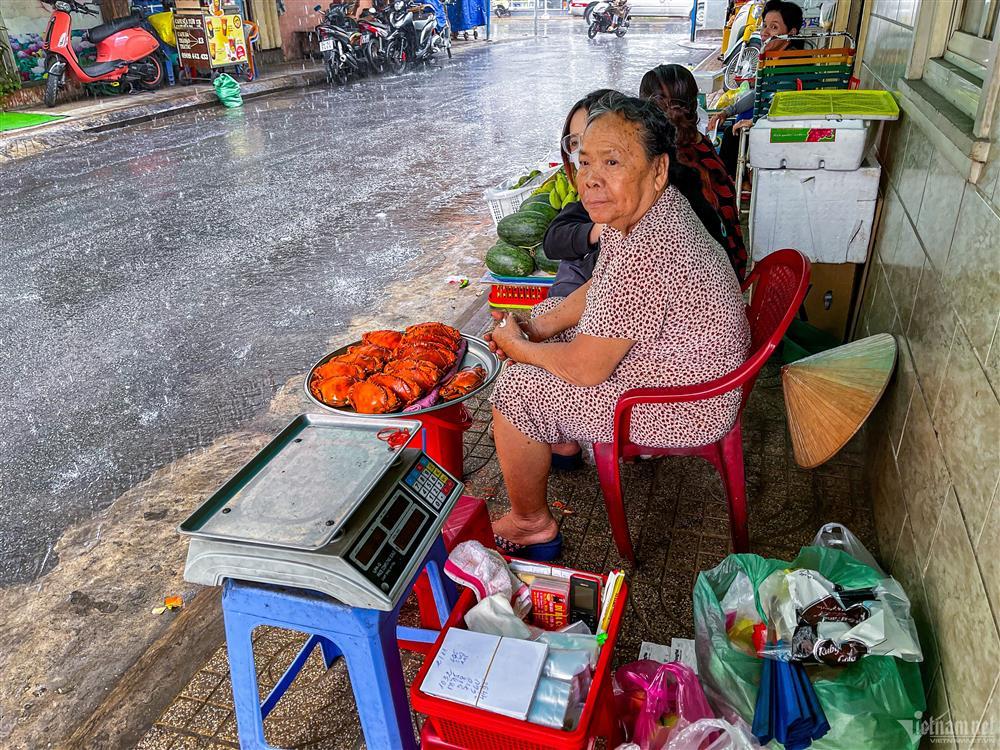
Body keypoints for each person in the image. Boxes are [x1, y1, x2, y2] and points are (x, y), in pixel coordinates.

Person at [486, 93, 751, 560]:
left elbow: (587, 369)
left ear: (657, 169)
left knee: (515, 389)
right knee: (547, 346)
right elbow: (598, 288)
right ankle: (560, 443)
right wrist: (539, 325)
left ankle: (530, 524)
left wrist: (517, 344)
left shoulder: (652, 246)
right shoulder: (640, 213)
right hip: (682, 358)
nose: (591, 179)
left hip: (688, 400)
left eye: (612, 161)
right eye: (585, 161)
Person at [640, 63, 747, 281]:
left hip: (706, 285)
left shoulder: (667, 166)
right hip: (733, 267)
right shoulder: (701, 144)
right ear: (693, 103)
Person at [708, 0, 804, 177]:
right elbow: (757, 93)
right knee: (731, 128)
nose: (765, 32)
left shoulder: (792, 63)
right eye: (764, 26)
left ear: (791, 32)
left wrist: (757, 122)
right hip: (772, 124)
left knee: (732, 134)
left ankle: (728, 187)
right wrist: (726, 112)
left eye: (774, 27)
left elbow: (787, 104)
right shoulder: (773, 59)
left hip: (784, 129)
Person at [542, 90, 612, 301]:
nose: (581, 150)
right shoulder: (593, 197)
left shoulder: (653, 221)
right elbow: (553, 240)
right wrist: (595, 231)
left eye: (591, 136)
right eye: (574, 142)